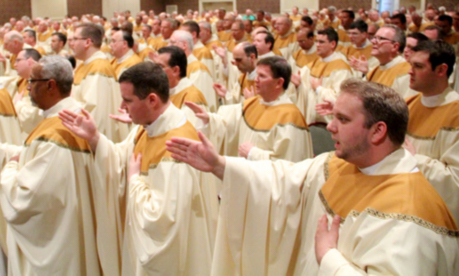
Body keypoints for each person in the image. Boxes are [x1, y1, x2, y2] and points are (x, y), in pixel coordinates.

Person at [167, 78, 459, 275]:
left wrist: (329, 257)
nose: (329, 127)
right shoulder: (341, 164)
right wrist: (221, 165)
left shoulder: (411, 215)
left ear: (378, 131)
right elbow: (284, 179)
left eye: (342, 119)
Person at [59, 62, 217, 275]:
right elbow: (121, 156)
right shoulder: (149, 127)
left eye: (127, 100)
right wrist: (95, 138)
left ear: (152, 100)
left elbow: (162, 220)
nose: (122, 106)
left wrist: (134, 182)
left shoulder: (176, 146)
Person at [0, 55, 119, 275]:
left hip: (58, 244)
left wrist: (9, 170)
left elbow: (27, 198)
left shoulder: (57, 131)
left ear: (50, 85)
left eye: (32, 82)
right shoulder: (70, 117)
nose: (27, 88)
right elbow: (32, 156)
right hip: (71, 233)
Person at [191, 56, 313, 162]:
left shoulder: (290, 116)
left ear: (279, 83)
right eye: (257, 75)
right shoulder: (252, 103)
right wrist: (209, 119)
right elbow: (228, 124)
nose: (255, 80)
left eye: (262, 76)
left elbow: (289, 164)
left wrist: (253, 154)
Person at [405, 40, 459, 224]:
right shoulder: (409, 104)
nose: (409, 72)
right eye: (410, 65)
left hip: (436, 221)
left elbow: (455, 182)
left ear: (441, 70)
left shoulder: (456, 114)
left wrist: (415, 159)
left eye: (418, 66)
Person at [71, 22, 129, 142]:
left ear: (87, 42)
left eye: (75, 39)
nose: (71, 44)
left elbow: (94, 112)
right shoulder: (85, 65)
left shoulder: (98, 68)